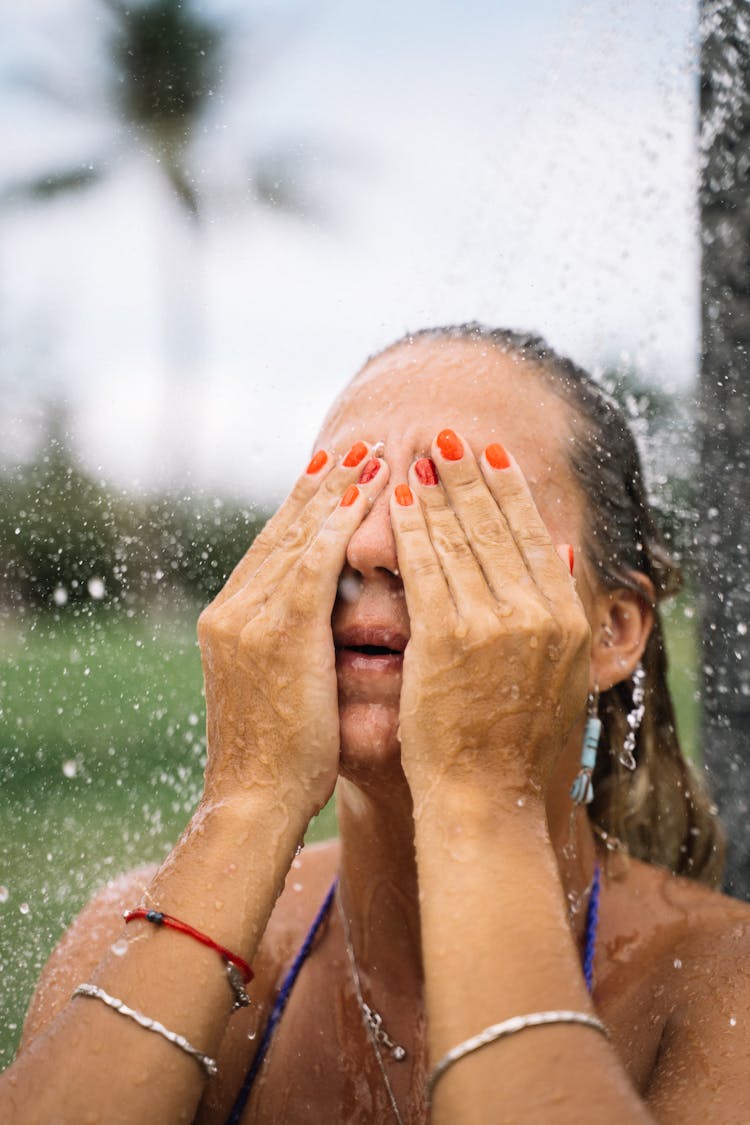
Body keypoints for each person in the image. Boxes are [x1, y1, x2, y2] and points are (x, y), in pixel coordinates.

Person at [2, 323, 749, 1125]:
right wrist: (247, 800)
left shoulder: (722, 982)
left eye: (458, 505)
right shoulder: (126, 941)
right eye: (341, 494)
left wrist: (479, 800)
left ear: (613, 631)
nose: (365, 546)